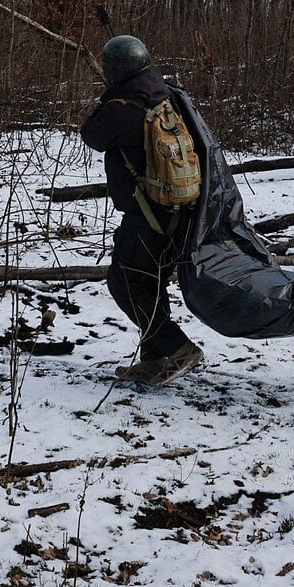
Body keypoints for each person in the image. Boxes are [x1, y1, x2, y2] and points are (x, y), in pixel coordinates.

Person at [80, 35, 205, 385]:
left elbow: (91, 135)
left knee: (123, 282)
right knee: (150, 282)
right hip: (178, 210)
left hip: (145, 215)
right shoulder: (169, 96)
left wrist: (108, 98)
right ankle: (154, 361)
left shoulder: (120, 108)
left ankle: (178, 347)